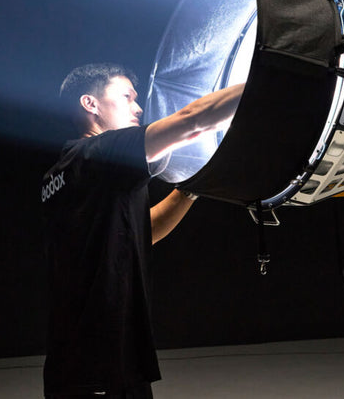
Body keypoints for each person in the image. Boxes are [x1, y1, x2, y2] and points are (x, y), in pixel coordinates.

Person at [42, 62, 245, 399]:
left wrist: (190, 190)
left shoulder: (64, 171)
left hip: (95, 359)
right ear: (90, 104)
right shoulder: (100, 153)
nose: (138, 107)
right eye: (127, 97)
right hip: (98, 364)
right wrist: (264, 85)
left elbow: (138, 232)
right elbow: (192, 120)